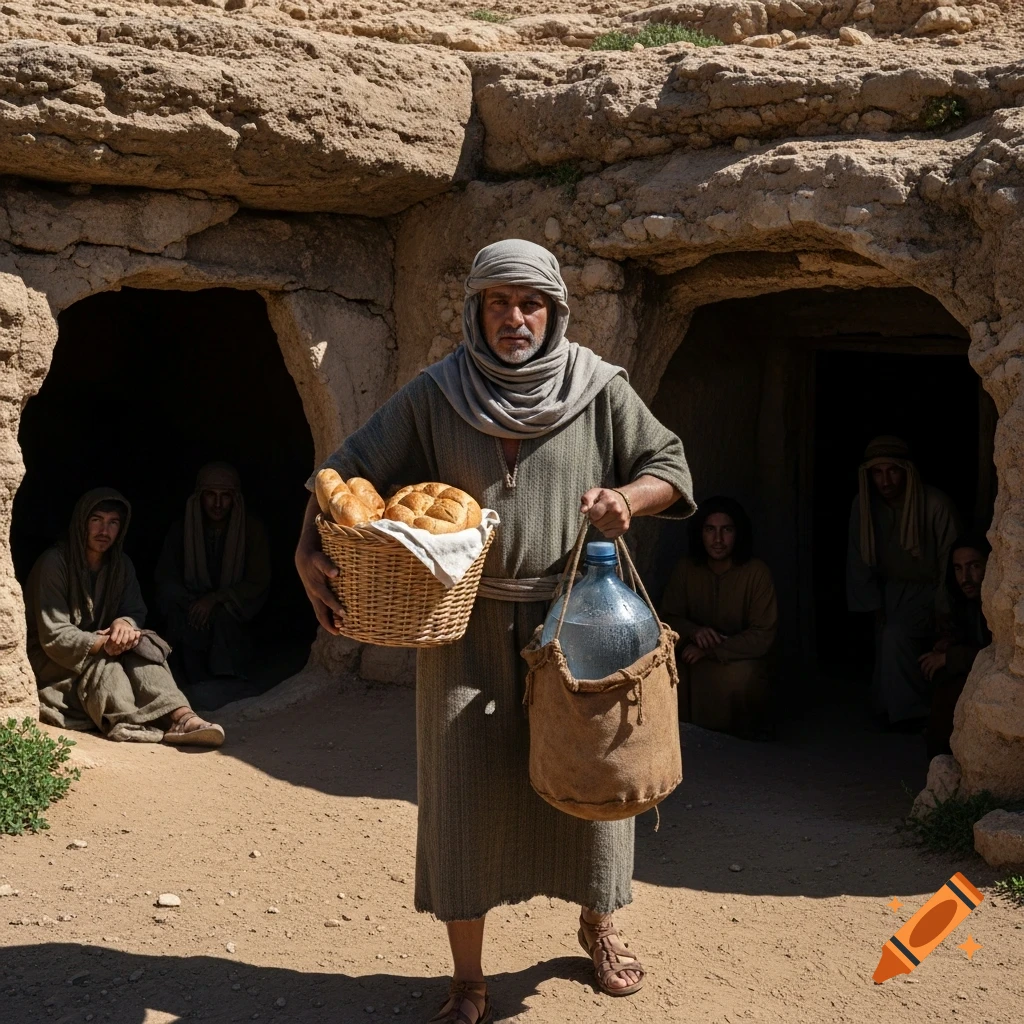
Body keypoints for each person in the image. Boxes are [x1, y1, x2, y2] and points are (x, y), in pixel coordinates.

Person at [295, 239, 693, 1022]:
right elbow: (345, 468)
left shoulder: (598, 387)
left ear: (554, 311)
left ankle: (599, 926)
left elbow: (669, 466)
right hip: (461, 626)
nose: (516, 317)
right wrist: (306, 541)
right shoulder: (437, 392)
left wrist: (628, 500)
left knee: (594, 779)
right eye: (499, 303)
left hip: (576, 620)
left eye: (531, 302)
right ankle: (469, 979)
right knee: (461, 795)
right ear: (478, 313)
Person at [25, 487, 224, 746]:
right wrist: (103, 643)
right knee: (108, 667)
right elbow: (54, 634)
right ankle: (130, 721)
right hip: (55, 659)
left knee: (145, 647)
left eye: (113, 523)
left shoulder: (122, 566)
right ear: (81, 522)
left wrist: (124, 624)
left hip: (105, 647)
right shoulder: (54, 563)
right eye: (96, 520)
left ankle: (184, 717)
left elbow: (134, 610)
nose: (104, 531)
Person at [846, 436, 959, 729]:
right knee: (888, 642)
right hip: (890, 591)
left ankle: (911, 714)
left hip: (932, 590)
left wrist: (944, 607)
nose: (885, 480)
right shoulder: (864, 504)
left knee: (898, 635)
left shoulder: (935, 505)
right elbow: (858, 558)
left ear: (907, 471)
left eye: (892, 470)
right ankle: (891, 708)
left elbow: (950, 558)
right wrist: (873, 604)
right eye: (877, 472)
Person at [661, 496, 778, 739]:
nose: (717, 539)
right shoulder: (686, 569)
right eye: (709, 530)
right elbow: (666, 618)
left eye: (726, 530)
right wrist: (694, 632)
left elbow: (762, 634)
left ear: (738, 533)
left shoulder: (756, 573)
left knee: (743, 678)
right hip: (690, 652)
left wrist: (714, 650)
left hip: (737, 657)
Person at [155, 463, 270, 698]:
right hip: (191, 607)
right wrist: (192, 602)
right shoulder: (181, 529)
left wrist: (216, 599)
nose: (217, 504)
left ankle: (228, 680)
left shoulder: (252, 530)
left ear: (235, 499)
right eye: (210, 495)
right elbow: (166, 579)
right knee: (183, 620)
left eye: (225, 496)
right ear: (199, 496)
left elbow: (258, 582)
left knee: (224, 619)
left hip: (232, 612)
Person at [919, 535, 991, 760]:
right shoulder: (967, 605)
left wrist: (949, 657)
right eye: (958, 569)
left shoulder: (1000, 603)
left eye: (974, 566)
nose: (965, 578)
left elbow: (998, 653)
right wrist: (949, 645)